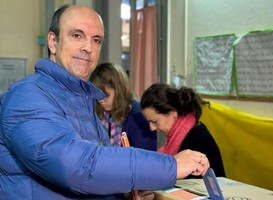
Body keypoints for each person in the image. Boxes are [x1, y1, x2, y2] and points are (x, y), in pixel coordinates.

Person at [0, 4, 209, 200]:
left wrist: (125, 190)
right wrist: (171, 166)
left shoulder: (82, 101)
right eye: (76, 35)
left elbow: (100, 172)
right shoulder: (27, 96)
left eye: (96, 40)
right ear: (53, 42)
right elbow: (78, 167)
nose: (88, 47)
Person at [141, 83, 225, 178]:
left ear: (173, 113)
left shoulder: (196, 141)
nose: (152, 128)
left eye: (155, 121)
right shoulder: (185, 133)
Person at [89, 62, 157, 150]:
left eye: (106, 95)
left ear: (119, 90)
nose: (100, 101)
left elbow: (145, 157)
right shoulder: (100, 112)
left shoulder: (138, 115)